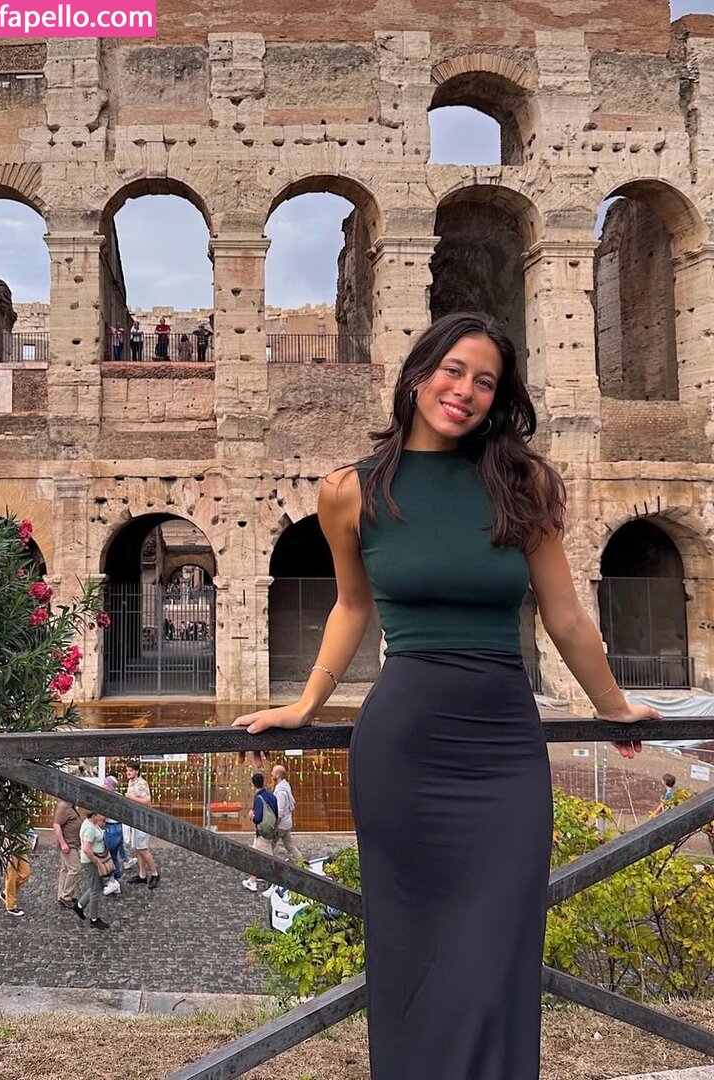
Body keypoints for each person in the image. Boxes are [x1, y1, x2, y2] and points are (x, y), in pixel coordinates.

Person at [234, 311, 660, 1080]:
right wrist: (306, 704)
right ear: (418, 374)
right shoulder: (349, 491)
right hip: (404, 748)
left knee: (499, 953)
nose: (465, 390)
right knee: (412, 954)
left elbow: (564, 614)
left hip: (504, 749)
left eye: (485, 382)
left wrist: (612, 704)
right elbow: (352, 606)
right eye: (453, 370)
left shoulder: (524, 485)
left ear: (498, 399)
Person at [124, 761, 160, 889]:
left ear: (137, 771)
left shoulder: (142, 783)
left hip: (144, 819)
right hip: (135, 819)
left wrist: (131, 798)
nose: (128, 773)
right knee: (138, 848)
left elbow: (147, 801)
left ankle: (155, 873)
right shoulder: (131, 782)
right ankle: (142, 875)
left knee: (143, 848)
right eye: (127, 770)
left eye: (130, 770)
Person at [242, 772, 278, 893]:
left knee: (266, 858)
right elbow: (276, 813)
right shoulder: (272, 796)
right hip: (271, 830)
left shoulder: (259, 798)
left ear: (253, 784)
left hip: (262, 832)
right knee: (256, 856)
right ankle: (252, 880)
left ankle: (275, 883)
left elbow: (258, 818)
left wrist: (252, 816)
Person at [73, 810, 109, 930]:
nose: (103, 816)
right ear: (94, 815)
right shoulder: (89, 829)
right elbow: (86, 849)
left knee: (97, 885)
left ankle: (79, 906)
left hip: (95, 861)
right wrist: (96, 861)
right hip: (91, 862)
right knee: (95, 889)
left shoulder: (92, 824)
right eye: (101, 814)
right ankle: (94, 919)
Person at [101, 775, 130, 895]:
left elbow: (103, 814)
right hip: (118, 827)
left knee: (108, 855)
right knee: (115, 855)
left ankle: (113, 880)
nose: (103, 786)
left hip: (111, 828)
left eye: (105, 784)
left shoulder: (108, 798)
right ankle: (116, 879)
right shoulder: (119, 796)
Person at [52, 798, 83, 909]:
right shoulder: (64, 806)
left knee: (65, 869)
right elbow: (56, 826)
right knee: (75, 868)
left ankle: (62, 895)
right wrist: (63, 843)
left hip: (72, 843)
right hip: (68, 845)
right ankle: (66, 896)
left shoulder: (70, 805)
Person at [272, 763, 303, 864]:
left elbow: (280, 812)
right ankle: (303, 864)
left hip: (281, 825)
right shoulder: (286, 785)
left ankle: (266, 865)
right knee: (290, 846)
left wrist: (275, 826)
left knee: (269, 845)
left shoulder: (281, 792)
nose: (271, 774)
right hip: (287, 823)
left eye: (273, 772)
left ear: (277, 775)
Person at [0, 853, 30, 917]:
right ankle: (11, 906)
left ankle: (6, 894)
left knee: (25, 874)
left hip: (21, 849)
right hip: (10, 851)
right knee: (11, 877)